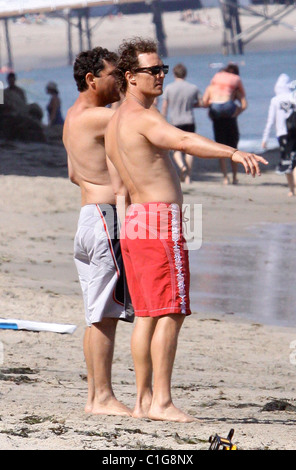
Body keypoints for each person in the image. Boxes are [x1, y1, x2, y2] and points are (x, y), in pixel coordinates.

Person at [105, 37, 268, 423]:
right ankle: (161, 402)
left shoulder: (115, 122)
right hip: (160, 220)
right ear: (130, 77)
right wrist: (231, 151)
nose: (160, 75)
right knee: (171, 311)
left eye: (163, 68)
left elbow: (120, 187)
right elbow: (182, 140)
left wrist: (128, 225)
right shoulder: (144, 118)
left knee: (146, 312)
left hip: (134, 220)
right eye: (152, 71)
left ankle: (143, 402)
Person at [62, 47, 134, 416]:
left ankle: (95, 397)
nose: (120, 81)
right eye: (114, 75)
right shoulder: (99, 117)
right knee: (107, 313)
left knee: (96, 312)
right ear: (91, 79)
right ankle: (103, 397)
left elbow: (75, 174)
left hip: (88, 218)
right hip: (106, 219)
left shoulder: (72, 117)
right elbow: (142, 122)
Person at [203, 63, 248, 185]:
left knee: (220, 150)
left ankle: (225, 178)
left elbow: (205, 103)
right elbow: (244, 105)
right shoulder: (235, 91)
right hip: (230, 120)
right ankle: (234, 176)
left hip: (217, 121)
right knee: (233, 149)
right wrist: (237, 112)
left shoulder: (211, 88)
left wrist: (211, 109)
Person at [161, 63, 202, 184]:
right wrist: (191, 105)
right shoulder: (193, 87)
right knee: (190, 150)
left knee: (176, 150)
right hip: (189, 120)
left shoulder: (169, 88)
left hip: (175, 121)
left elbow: (165, 106)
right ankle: (188, 176)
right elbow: (201, 103)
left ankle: (181, 166)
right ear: (185, 74)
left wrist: (163, 118)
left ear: (174, 73)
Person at [262, 73, 296, 197]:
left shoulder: (275, 100)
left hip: (282, 134)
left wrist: (265, 138)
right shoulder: (292, 96)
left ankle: (291, 189)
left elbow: (270, 121)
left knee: (286, 161)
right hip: (294, 132)